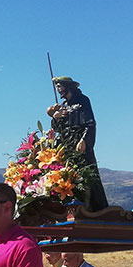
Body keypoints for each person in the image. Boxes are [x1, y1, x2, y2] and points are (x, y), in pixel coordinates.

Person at [45, 76, 108, 211]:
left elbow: (90, 123)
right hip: (66, 144)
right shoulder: (62, 106)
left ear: (68, 86)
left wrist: (84, 140)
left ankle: (93, 208)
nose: (58, 90)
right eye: (57, 87)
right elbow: (57, 129)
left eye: (60, 86)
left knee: (86, 173)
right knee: (68, 175)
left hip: (79, 143)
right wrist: (54, 118)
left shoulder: (82, 101)